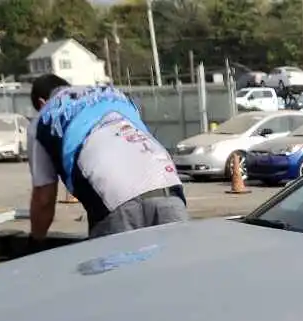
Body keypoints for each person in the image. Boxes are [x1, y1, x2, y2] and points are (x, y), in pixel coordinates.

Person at [27, 73, 188, 240]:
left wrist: (35, 243)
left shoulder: (44, 118)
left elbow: (44, 198)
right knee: (175, 263)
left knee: (120, 265)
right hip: (167, 185)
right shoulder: (115, 95)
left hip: (114, 198)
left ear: (41, 102)